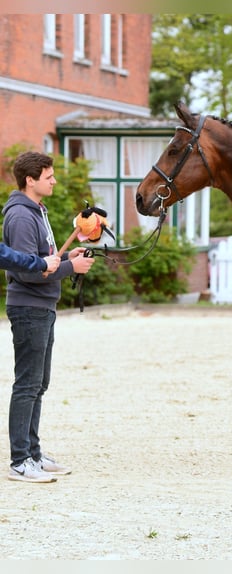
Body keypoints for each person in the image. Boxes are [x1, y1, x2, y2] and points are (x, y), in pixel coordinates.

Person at [3, 151, 95, 483]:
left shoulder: (36, 211)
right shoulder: (22, 217)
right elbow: (27, 271)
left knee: (39, 384)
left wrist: (66, 256)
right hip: (29, 307)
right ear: (31, 179)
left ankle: (33, 454)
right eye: (49, 175)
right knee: (27, 384)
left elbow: (43, 260)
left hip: (43, 307)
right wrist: (73, 268)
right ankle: (19, 462)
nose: (54, 180)